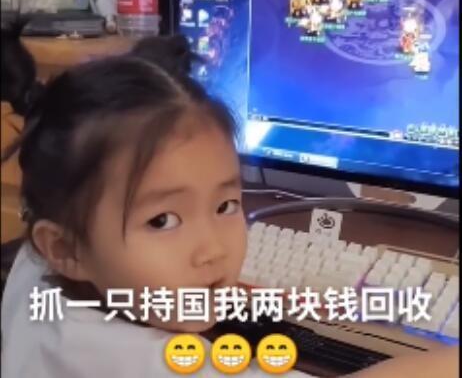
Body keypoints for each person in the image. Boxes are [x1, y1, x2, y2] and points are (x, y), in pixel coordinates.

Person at [1, 31, 458, 377]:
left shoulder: (36, 273)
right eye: (162, 220)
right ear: (65, 248)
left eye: (225, 206)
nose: (213, 250)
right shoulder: (145, 362)